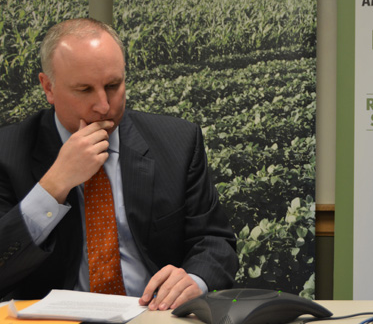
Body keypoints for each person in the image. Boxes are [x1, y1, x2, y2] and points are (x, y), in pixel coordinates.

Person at [0, 18, 238, 309]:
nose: (103, 105)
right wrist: (53, 186)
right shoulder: (8, 153)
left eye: (113, 85)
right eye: (84, 90)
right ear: (48, 88)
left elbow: (215, 241)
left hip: (152, 316)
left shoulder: (178, 142)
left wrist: (194, 280)